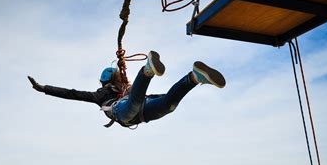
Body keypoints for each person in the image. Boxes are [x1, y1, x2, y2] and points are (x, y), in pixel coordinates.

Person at [27, 51, 225, 128]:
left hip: (131, 110)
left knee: (167, 104)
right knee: (162, 106)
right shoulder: (101, 95)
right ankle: (192, 77)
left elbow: (71, 93)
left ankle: (192, 77)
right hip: (134, 113)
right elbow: (71, 94)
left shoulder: (125, 87)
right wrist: (43, 88)